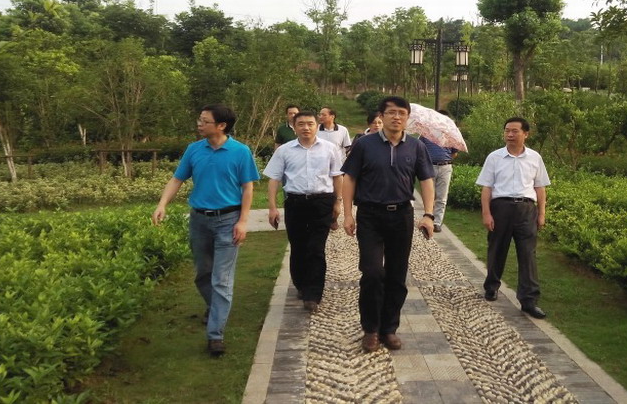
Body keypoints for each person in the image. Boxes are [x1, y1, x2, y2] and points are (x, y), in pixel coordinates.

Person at [152, 104, 260, 356]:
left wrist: (243, 221)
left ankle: (215, 335)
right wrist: (162, 204)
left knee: (221, 280)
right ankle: (216, 308)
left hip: (228, 220)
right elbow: (177, 179)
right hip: (199, 220)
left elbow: (248, 188)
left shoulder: (241, 152)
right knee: (203, 274)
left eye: (204, 121)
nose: (199, 124)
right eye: (199, 120)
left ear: (221, 126)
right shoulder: (194, 149)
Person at [342, 96, 435, 353]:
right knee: (372, 273)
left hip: (401, 215)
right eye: (391, 112)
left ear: (407, 118)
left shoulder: (416, 147)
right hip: (370, 215)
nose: (397, 117)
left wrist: (428, 214)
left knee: (397, 275)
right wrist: (348, 214)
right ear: (381, 116)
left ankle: (389, 329)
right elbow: (349, 178)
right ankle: (371, 329)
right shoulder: (364, 144)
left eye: (401, 113)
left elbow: (426, 180)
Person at [263, 111, 344, 313]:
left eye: (310, 124)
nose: (306, 128)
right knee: (298, 246)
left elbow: (337, 176)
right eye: (301, 124)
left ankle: (313, 294)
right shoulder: (284, 150)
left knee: (316, 248)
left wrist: (338, 202)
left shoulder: (330, 148)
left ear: (317, 126)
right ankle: (301, 283)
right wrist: (272, 207)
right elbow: (274, 179)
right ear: (294, 127)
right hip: (295, 202)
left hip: (322, 202)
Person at [475, 117, 550, 319]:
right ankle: (491, 287)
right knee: (497, 249)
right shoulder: (494, 157)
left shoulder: (535, 158)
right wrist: (486, 213)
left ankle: (529, 300)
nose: (510, 134)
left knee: (528, 254)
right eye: (507, 130)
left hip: (526, 209)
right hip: (501, 208)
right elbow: (487, 187)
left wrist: (541, 213)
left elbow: (540, 187)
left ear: (526, 134)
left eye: (514, 131)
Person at [419, 110, 458, 233]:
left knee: (442, 196)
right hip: (429, 166)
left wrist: (444, 160)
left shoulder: (451, 135)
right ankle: (428, 217)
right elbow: (419, 150)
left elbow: (454, 153)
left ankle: (437, 222)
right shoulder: (426, 134)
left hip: (445, 167)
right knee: (429, 194)